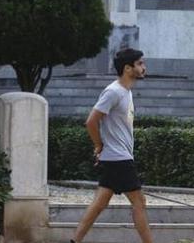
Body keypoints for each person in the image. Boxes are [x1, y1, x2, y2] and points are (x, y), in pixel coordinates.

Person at [70, 48, 152, 243]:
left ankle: (75, 241)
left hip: (116, 157)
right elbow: (91, 121)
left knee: (100, 203)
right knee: (139, 202)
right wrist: (99, 146)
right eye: (140, 64)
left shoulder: (126, 92)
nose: (143, 68)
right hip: (119, 158)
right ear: (127, 68)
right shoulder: (113, 92)